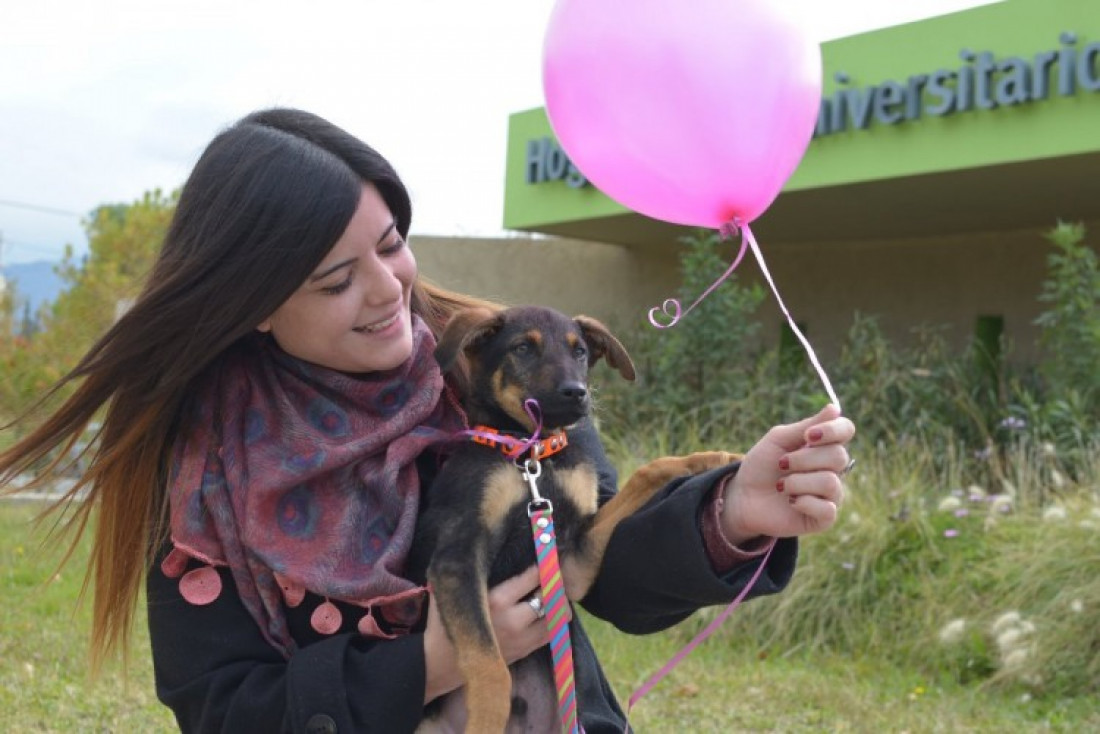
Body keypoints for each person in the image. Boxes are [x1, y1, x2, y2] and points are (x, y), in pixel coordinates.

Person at [0, 108, 855, 733]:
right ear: (252, 305)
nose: (387, 289)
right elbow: (220, 706)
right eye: (335, 280)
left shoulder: (493, 367)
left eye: (392, 241)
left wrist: (732, 511)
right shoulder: (206, 468)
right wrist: (425, 668)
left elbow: (602, 559)